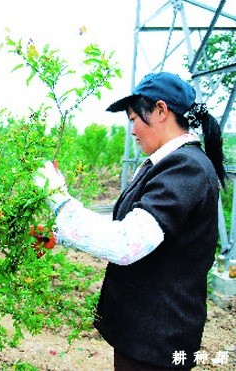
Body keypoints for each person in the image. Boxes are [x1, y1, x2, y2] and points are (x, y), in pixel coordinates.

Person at [34, 72, 227, 370]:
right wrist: (61, 235)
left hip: (158, 341)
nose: (132, 130)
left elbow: (125, 243)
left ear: (161, 111)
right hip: (143, 335)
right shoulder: (162, 165)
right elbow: (129, 227)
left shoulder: (186, 169)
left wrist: (57, 198)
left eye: (135, 118)